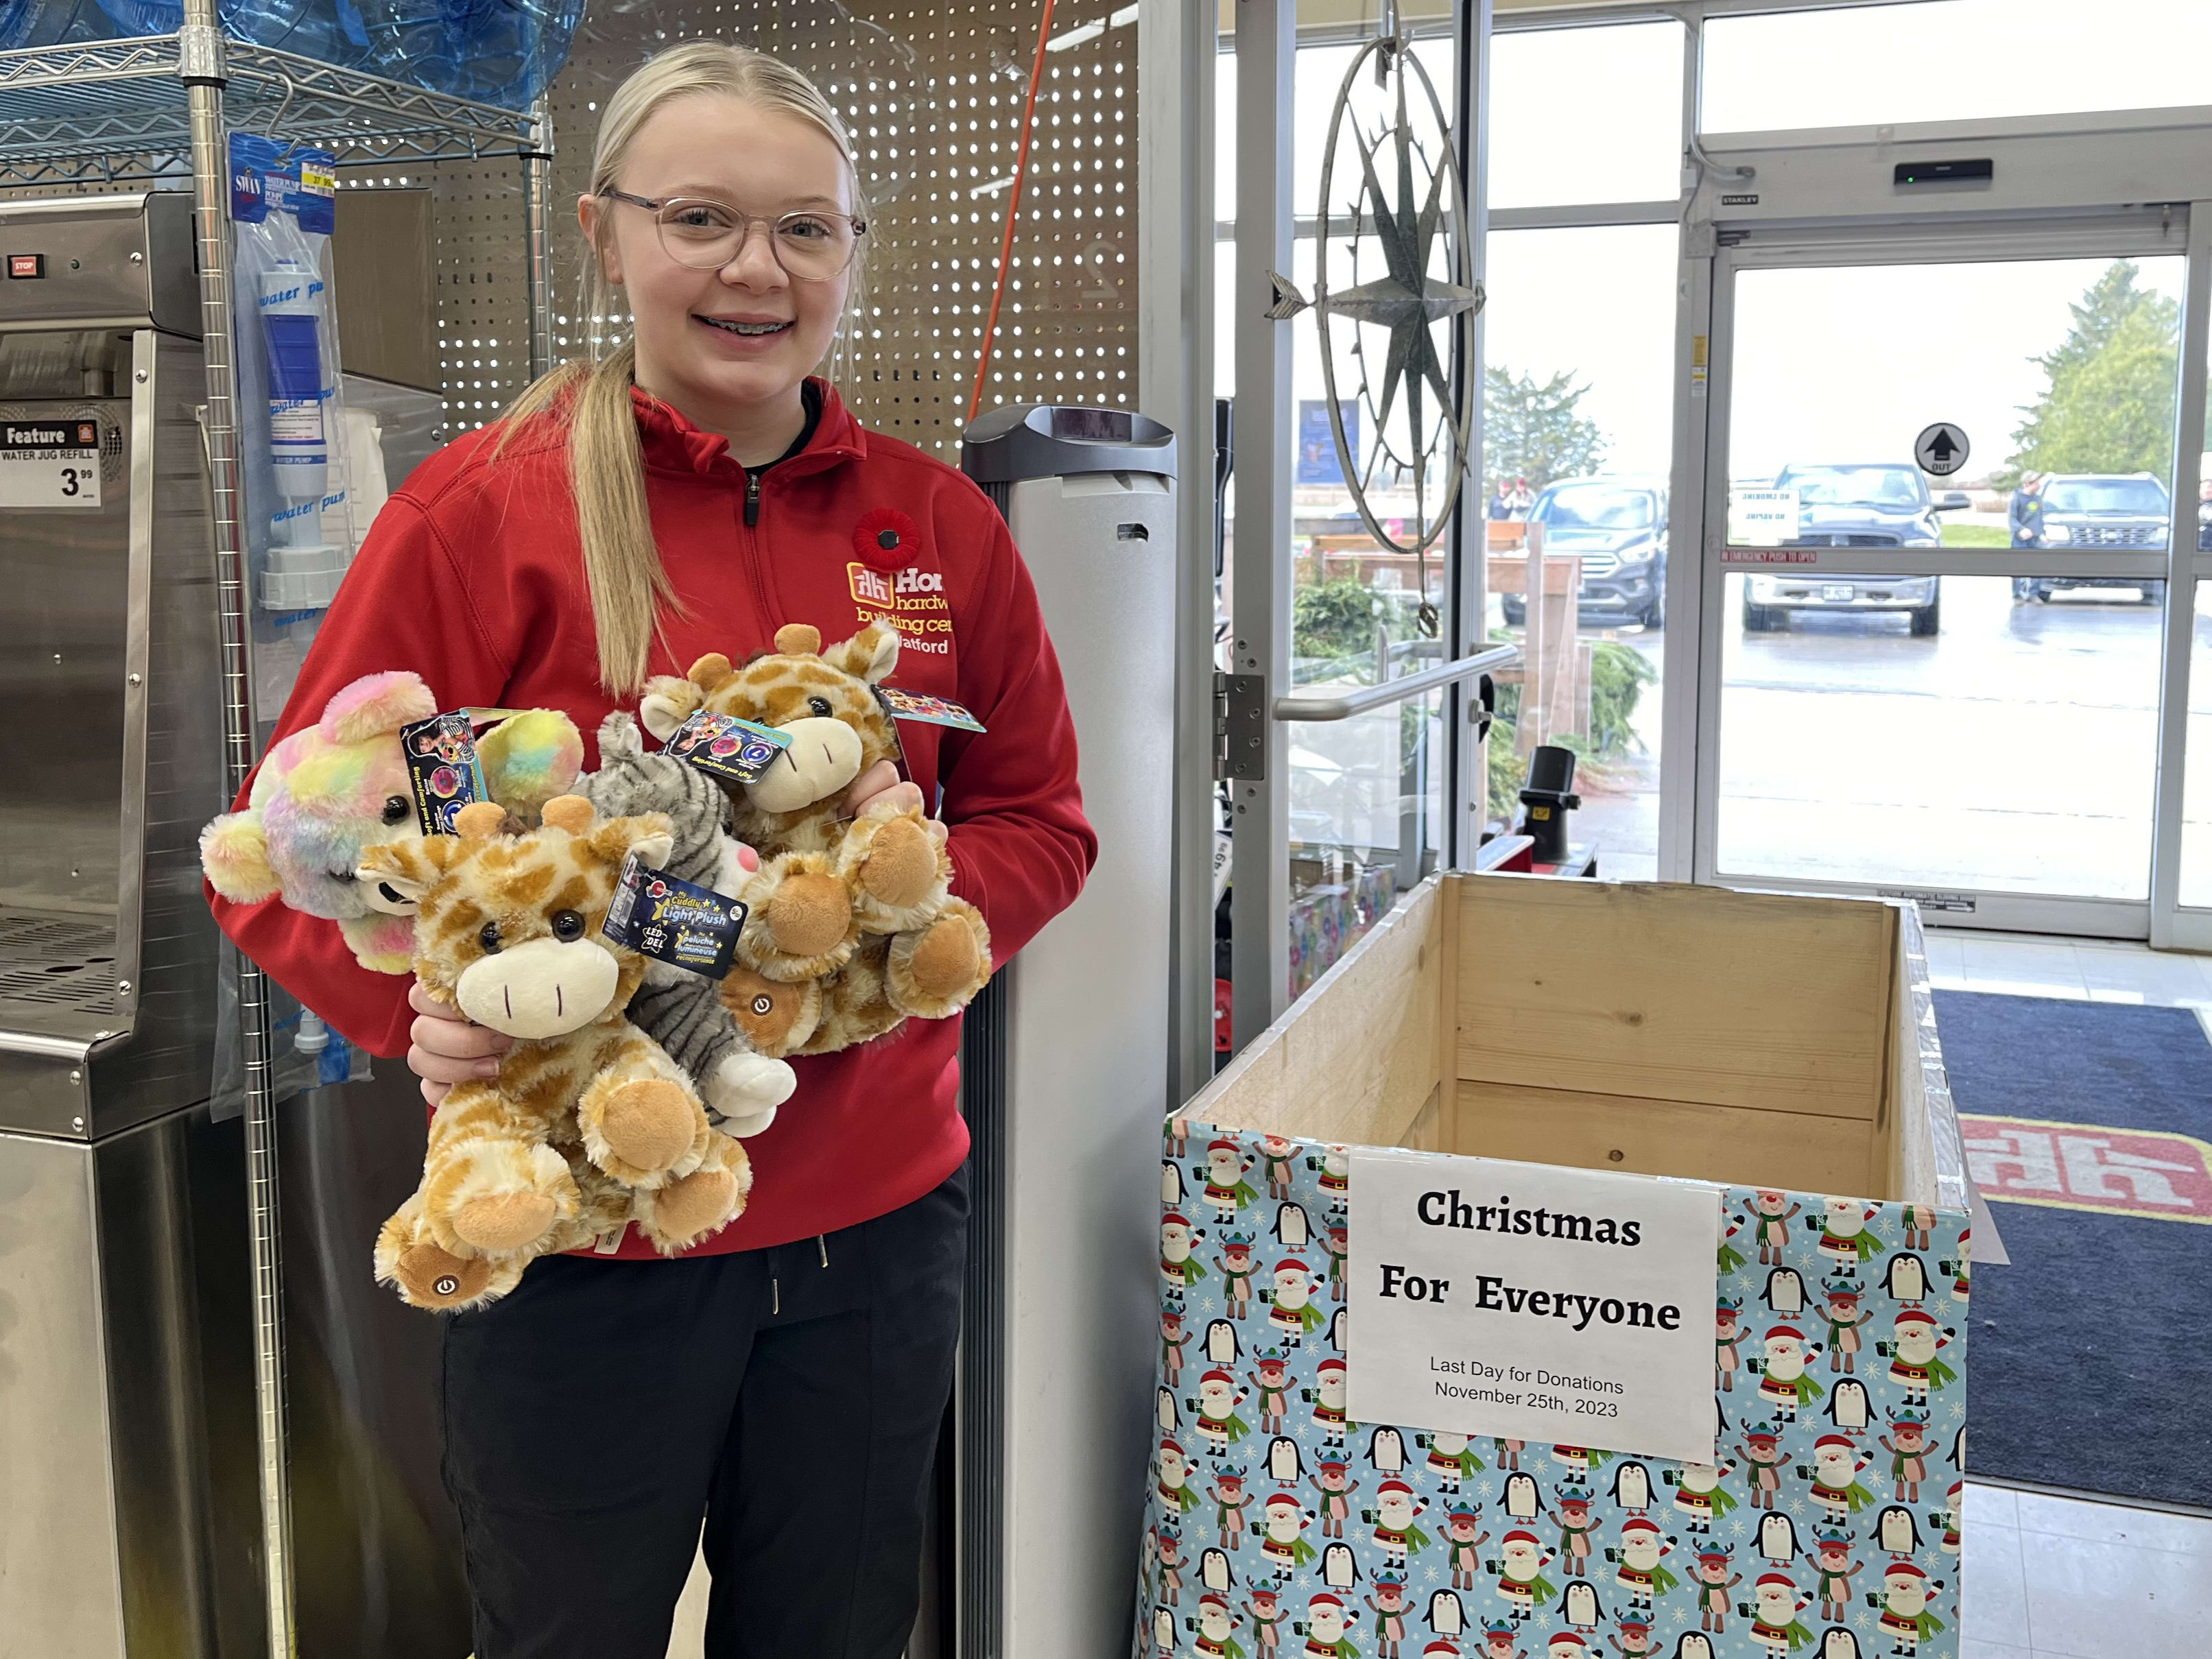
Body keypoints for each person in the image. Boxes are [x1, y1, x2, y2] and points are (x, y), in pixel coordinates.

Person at [206, 41, 1095, 1659]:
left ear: (847, 256)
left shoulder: (933, 527)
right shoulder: (481, 521)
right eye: (702, 219)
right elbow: (293, 845)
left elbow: (1040, 813)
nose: (757, 269)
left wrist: (908, 911)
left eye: (806, 229)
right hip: (586, 1237)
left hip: (877, 1233)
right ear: (603, 237)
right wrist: (414, 1011)